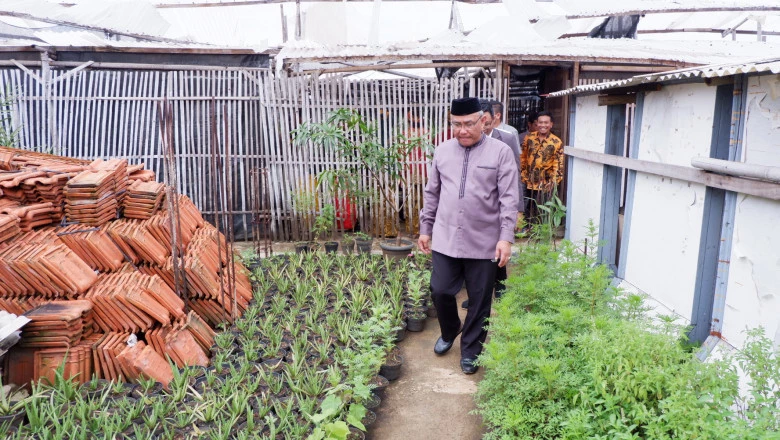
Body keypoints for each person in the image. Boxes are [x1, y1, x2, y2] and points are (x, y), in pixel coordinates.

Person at [418, 97, 519, 374]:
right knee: (439, 289)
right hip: (446, 237)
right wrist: (425, 228)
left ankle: (472, 350)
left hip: (485, 240)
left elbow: (509, 198)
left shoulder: (500, 152)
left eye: (468, 124)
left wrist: (505, 237)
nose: (462, 130)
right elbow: (432, 193)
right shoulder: (442, 151)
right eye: (456, 124)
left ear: (483, 121)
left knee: (479, 299)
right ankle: (451, 329)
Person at [460, 100, 524, 310]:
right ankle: (476, 294)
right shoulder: (465, 142)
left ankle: (500, 288)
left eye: (483, 121)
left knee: (496, 252)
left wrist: (518, 210)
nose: (483, 126)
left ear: (488, 119)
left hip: (499, 208)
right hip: (475, 211)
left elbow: (515, 178)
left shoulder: (506, 139)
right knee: (474, 256)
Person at [520, 110, 563, 224]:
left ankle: (539, 234)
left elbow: (558, 165)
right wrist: (523, 174)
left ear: (551, 124)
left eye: (546, 123)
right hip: (528, 182)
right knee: (526, 209)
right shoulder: (529, 138)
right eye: (540, 122)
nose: (543, 125)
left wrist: (553, 182)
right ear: (536, 123)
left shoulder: (556, 142)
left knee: (541, 212)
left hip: (545, 184)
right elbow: (523, 157)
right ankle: (526, 231)